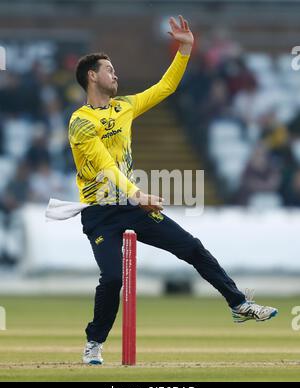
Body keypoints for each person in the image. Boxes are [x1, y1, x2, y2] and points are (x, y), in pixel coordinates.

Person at [68, 16, 278, 365]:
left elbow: (165, 87)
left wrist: (184, 50)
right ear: (92, 75)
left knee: (192, 247)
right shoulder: (80, 121)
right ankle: (94, 343)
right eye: (109, 69)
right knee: (113, 278)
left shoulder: (125, 106)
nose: (115, 74)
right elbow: (105, 167)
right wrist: (137, 194)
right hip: (101, 211)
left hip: (132, 204)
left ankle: (239, 304)